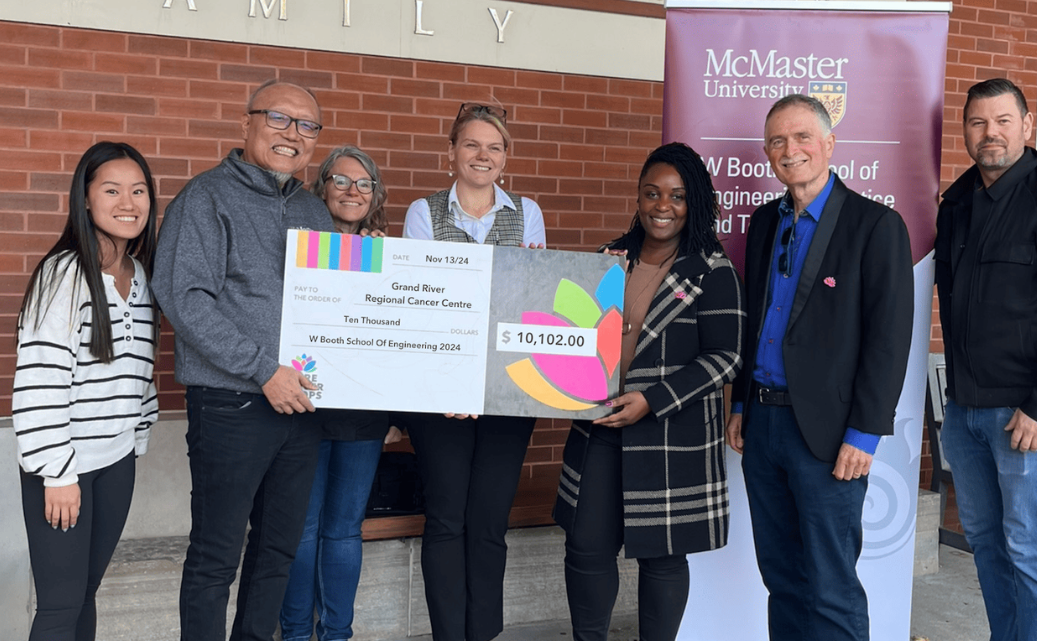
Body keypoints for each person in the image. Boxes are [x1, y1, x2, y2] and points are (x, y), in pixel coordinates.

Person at [152, 80, 335, 641]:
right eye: (280, 119)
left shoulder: (313, 210)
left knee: (277, 551)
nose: (292, 134)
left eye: (307, 126)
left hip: (301, 407)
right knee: (216, 556)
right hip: (232, 404)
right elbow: (182, 296)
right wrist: (263, 370)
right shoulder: (205, 197)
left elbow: (335, 310)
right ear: (247, 123)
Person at [726, 94, 913, 641]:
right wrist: (739, 403)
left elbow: (889, 340)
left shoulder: (875, 225)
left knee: (831, 586)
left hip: (831, 437)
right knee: (782, 580)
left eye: (803, 136)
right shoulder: (765, 222)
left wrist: (865, 434)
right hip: (763, 428)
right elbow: (751, 317)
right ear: (766, 153)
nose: (791, 150)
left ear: (830, 144)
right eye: (778, 141)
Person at [554, 142, 744, 641]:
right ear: (637, 198)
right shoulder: (608, 260)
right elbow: (572, 334)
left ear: (695, 202)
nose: (663, 206)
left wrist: (653, 400)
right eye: (652, 193)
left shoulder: (712, 270)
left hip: (668, 432)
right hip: (598, 427)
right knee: (586, 548)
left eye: (678, 196)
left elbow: (725, 357)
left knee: (661, 558)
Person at [935, 78, 1037, 641]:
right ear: (965, 131)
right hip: (965, 414)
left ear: (1027, 126)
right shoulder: (956, 203)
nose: (991, 133)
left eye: (1003, 121)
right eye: (978, 122)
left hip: (1030, 416)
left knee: (1030, 547)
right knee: (986, 543)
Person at [401, 102, 545, 641]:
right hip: (441, 392)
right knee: (445, 519)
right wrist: (456, 376)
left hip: (508, 390)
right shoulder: (424, 211)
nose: (482, 155)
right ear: (452, 152)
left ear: (505, 157)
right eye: (471, 145)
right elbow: (426, 298)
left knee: (488, 522)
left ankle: (483, 633)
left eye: (494, 146)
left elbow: (526, 296)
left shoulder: (527, 212)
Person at [13, 141, 159, 640]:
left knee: (86, 594)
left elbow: (140, 372)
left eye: (138, 191)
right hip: (64, 468)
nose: (128, 202)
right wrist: (56, 472)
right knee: (59, 605)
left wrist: (138, 437)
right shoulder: (64, 274)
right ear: (86, 199)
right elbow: (39, 379)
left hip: (116, 462)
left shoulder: (141, 277)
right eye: (112, 190)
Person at [279, 145, 402, 641]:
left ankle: (335, 634)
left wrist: (398, 414)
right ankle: (292, 634)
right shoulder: (296, 245)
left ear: (375, 196)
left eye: (364, 183)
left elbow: (399, 338)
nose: (353, 191)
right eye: (341, 180)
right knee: (302, 530)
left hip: (363, 412)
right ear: (321, 186)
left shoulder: (390, 256)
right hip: (300, 405)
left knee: (344, 529)